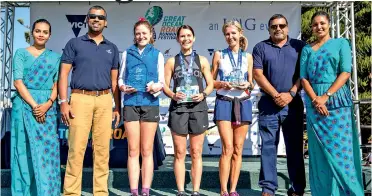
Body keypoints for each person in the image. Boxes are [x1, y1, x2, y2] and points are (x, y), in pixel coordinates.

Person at [300, 11, 364, 196]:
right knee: (319, 153)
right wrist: (315, 100)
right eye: (315, 24)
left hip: (337, 103)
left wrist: (326, 96)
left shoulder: (341, 43)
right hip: (314, 104)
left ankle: (350, 192)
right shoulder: (307, 49)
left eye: (322, 23)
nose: (318, 27)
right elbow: (304, 78)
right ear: (311, 28)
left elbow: (345, 72)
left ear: (329, 24)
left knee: (341, 152)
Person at [58, 5, 120, 196]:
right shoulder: (74, 43)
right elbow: (63, 75)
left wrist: (117, 107)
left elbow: (115, 81)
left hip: (103, 100)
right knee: (76, 150)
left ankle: (100, 192)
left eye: (100, 17)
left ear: (105, 22)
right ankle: (71, 193)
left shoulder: (112, 48)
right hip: (79, 98)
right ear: (87, 19)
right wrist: (63, 102)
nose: (96, 19)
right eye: (92, 16)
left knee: (102, 152)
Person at [252, 14, 306, 196]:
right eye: (274, 26)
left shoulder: (299, 46)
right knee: (268, 148)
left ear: (288, 27)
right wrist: (276, 95)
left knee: (295, 148)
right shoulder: (260, 47)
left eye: (282, 25)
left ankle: (297, 188)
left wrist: (291, 93)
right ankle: (268, 189)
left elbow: (304, 73)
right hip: (269, 104)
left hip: (293, 104)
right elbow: (258, 75)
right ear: (269, 29)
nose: (278, 29)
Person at [10, 18, 61, 196]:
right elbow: (17, 82)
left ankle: (47, 191)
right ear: (32, 33)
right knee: (23, 151)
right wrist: (34, 106)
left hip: (47, 106)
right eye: (38, 31)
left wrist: (46, 105)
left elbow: (58, 85)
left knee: (47, 152)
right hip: (24, 105)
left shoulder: (55, 58)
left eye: (45, 32)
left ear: (50, 35)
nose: (41, 34)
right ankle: (24, 192)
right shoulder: (20, 54)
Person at [163, 25, 214, 196]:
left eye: (189, 35)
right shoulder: (171, 61)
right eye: (182, 36)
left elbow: (211, 84)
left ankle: (196, 190)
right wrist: (173, 94)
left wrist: (204, 94)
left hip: (198, 108)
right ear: (178, 39)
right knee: (179, 152)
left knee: (196, 151)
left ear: (194, 38)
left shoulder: (203, 60)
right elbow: (164, 85)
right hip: (178, 108)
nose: (186, 39)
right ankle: (180, 190)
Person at [118, 18, 166, 196]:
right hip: (131, 104)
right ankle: (133, 191)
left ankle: (145, 190)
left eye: (144, 33)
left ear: (151, 35)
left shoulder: (158, 54)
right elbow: (121, 78)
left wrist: (156, 87)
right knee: (133, 150)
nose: (141, 36)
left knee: (147, 150)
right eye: (138, 33)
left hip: (150, 104)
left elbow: (162, 82)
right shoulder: (126, 53)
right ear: (134, 35)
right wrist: (122, 87)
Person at [211, 20, 254, 196]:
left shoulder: (248, 57)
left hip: (242, 103)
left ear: (240, 33)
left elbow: (251, 83)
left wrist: (247, 85)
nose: (230, 37)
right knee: (227, 148)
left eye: (233, 33)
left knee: (237, 148)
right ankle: (223, 190)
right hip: (224, 102)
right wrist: (222, 83)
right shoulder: (219, 54)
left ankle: (233, 189)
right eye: (227, 34)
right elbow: (211, 82)